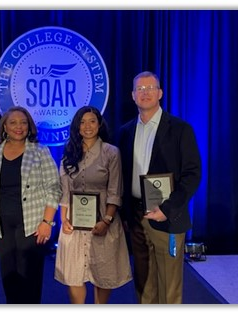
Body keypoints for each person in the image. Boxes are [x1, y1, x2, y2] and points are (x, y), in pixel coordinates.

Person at [118, 71, 201, 304]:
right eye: (140, 89)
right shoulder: (125, 132)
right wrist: (125, 214)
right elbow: (122, 176)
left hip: (168, 217)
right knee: (143, 282)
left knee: (169, 285)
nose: (145, 93)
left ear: (160, 93)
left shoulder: (180, 129)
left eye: (150, 88)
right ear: (133, 95)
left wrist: (167, 208)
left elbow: (192, 175)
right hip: (136, 216)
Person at [0, 106, 61, 304]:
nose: (18, 127)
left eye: (23, 122)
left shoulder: (40, 151)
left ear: (29, 126)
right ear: (4, 126)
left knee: (29, 275)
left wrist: (47, 222)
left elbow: (54, 188)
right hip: (1, 225)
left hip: (32, 224)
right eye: (13, 122)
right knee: (9, 276)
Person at [54, 106, 132, 304]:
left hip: (103, 220)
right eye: (82, 122)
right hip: (73, 222)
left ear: (99, 124)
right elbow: (63, 188)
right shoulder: (69, 151)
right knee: (74, 274)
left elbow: (115, 190)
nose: (87, 126)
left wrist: (106, 220)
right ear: (76, 126)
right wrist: (63, 219)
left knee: (102, 274)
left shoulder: (111, 152)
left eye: (92, 121)